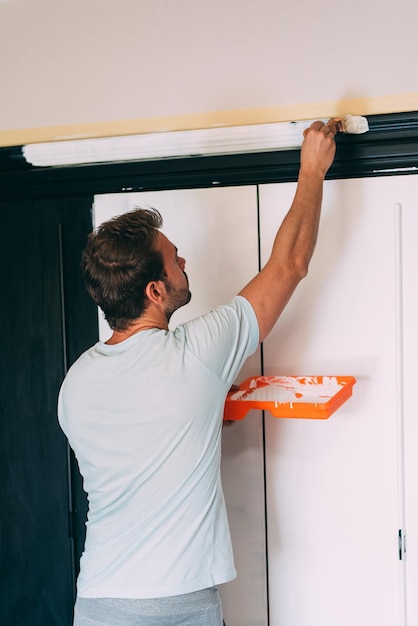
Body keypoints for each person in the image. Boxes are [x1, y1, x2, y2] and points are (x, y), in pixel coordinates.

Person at [58, 120, 337, 626]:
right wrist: (312, 169)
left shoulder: (75, 383)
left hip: (98, 599)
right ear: (155, 293)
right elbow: (289, 265)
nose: (183, 260)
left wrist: (208, 412)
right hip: (178, 603)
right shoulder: (197, 354)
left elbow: (143, 438)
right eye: (172, 260)